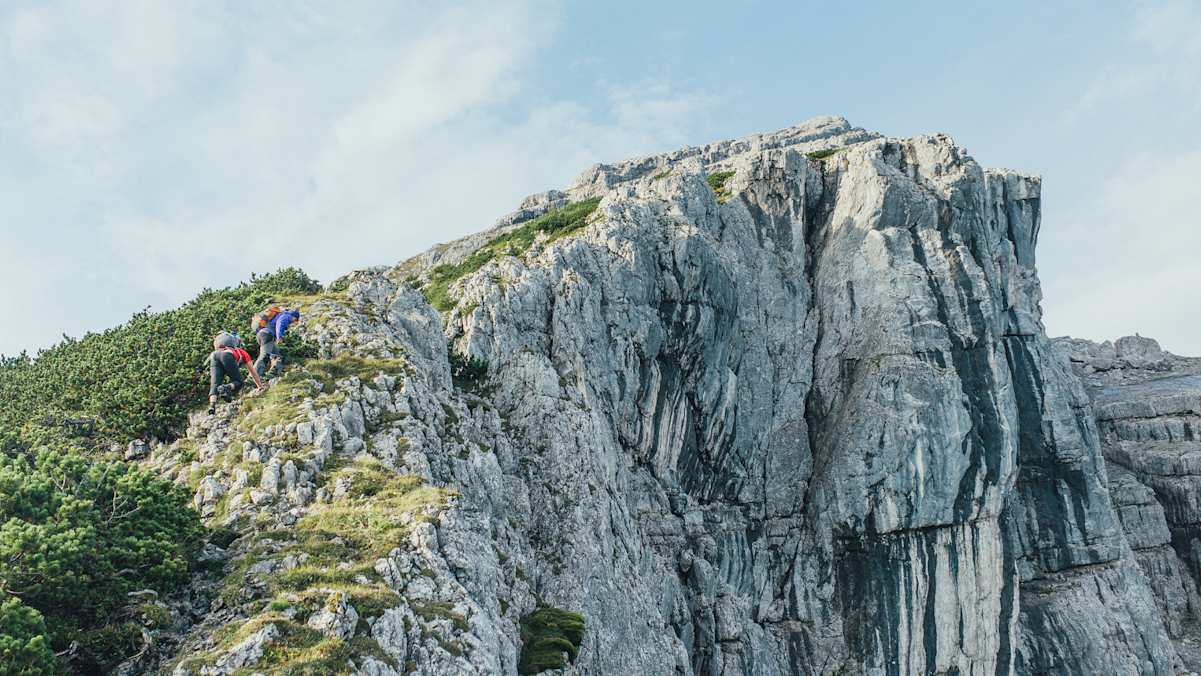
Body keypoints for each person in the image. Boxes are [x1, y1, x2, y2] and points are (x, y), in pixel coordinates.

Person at [207, 332, 263, 414]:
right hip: (227, 355)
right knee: (239, 382)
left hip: (214, 356)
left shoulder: (219, 348)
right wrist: (260, 386)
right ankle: (225, 388)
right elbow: (253, 371)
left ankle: (212, 406)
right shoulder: (241, 351)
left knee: (214, 384)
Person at [254, 308, 301, 379]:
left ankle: (272, 374)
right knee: (264, 356)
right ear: (294, 317)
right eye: (295, 320)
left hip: (263, 335)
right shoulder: (286, 316)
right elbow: (280, 323)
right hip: (266, 335)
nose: (294, 322)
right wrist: (279, 337)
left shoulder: (279, 316)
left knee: (278, 356)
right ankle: (253, 377)